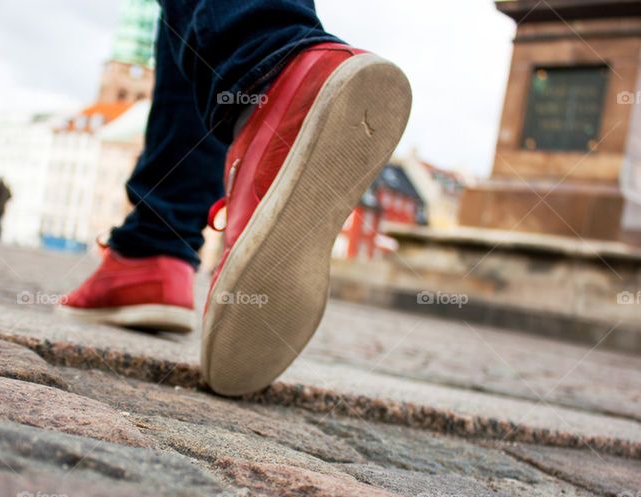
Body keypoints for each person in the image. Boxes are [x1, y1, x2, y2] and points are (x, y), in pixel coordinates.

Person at [60, 1, 411, 397]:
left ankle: (269, 67)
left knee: (238, 55)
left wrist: (262, 56)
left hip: (266, 56)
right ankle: (156, 242)